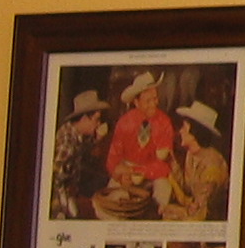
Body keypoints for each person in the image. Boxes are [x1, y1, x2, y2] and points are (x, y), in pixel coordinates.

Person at [98, 70, 176, 219]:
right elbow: (112, 160)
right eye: (148, 101)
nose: (154, 104)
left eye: (155, 98)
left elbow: (164, 162)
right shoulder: (124, 123)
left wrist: (140, 171)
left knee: (164, 190)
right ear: (136, 102)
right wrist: (121, 175)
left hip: (154, 174)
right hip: (127, 173)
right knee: (109, 206)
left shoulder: (164, 122)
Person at [163, 101, 231, 222]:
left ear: (194, 131)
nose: (181, 131)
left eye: (184, 127)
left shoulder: (212, 166)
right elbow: (186, 187)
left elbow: (200, 213)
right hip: (196, 212)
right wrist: (170, 160)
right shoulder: (192, 154)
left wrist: (172, 211)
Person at [49, 87, 110, 219]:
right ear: (84, 118)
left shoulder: (77, 133)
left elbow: (83, 148)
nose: (99, 124)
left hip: (73, 187)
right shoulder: (67, 143)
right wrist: (62, 205)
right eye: (96, 119)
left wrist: (98, 138)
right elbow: (54, 177)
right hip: (61, 196)